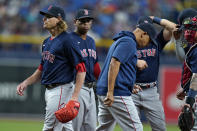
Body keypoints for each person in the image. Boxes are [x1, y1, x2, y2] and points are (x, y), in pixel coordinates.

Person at [16, 5, 86, 131]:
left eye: (48, 17)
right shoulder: (46, 42)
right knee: (65, 128)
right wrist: (26, 82)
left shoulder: (67, 40)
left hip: (61, 90)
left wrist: (75, 97)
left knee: (50, 128)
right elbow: (41, 69)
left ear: (59, 19)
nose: (44, 19)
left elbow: (81, 69)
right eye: (44, 17)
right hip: (50, 91)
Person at [96, 22, 157, 131]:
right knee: (136, 128)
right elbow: (114, 63)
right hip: (116, 93)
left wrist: (130, 84)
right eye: (149, 40)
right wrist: (111, 92)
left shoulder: (123, 40)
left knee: (104, 128)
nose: (148, 44)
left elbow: (121, 67)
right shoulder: (128, 42)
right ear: (144, 34)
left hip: (105, 90)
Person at [131, 16, 176, 131]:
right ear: (138, 30)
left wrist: (154, 19)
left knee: (160, 128)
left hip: (151, 91)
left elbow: (173, 27)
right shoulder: (129, 43)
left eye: (148, 29)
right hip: (132, 90)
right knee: (133, 128)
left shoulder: (156, 41)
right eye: (143, 30)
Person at [70, 9, 101, 131]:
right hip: (76, 87)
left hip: (91, 89)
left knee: (91, 127)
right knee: (74, 127)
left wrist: (103, 82)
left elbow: (95, 65)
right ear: (75, 22)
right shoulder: (68, 39)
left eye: (88, 20)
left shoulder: (91, 41)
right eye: (83, 20)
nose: (86, 23)